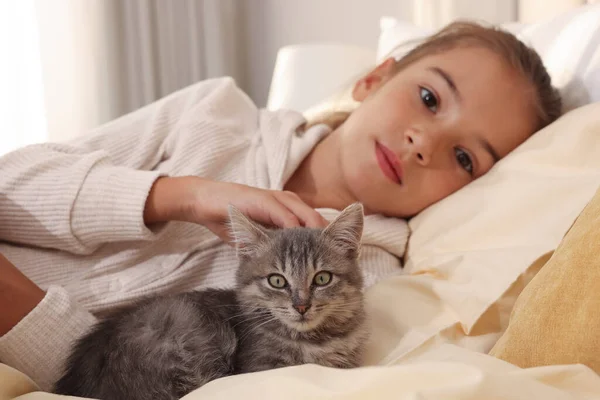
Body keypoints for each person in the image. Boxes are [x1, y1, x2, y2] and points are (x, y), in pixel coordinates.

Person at [0, 21, 561, 391]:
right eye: (430, 98)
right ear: (372, 79)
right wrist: (181, 194)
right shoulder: (214, 113)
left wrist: (26, 316)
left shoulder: (375, 275)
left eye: (464, 158)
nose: (424, 143)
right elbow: (10, 184)